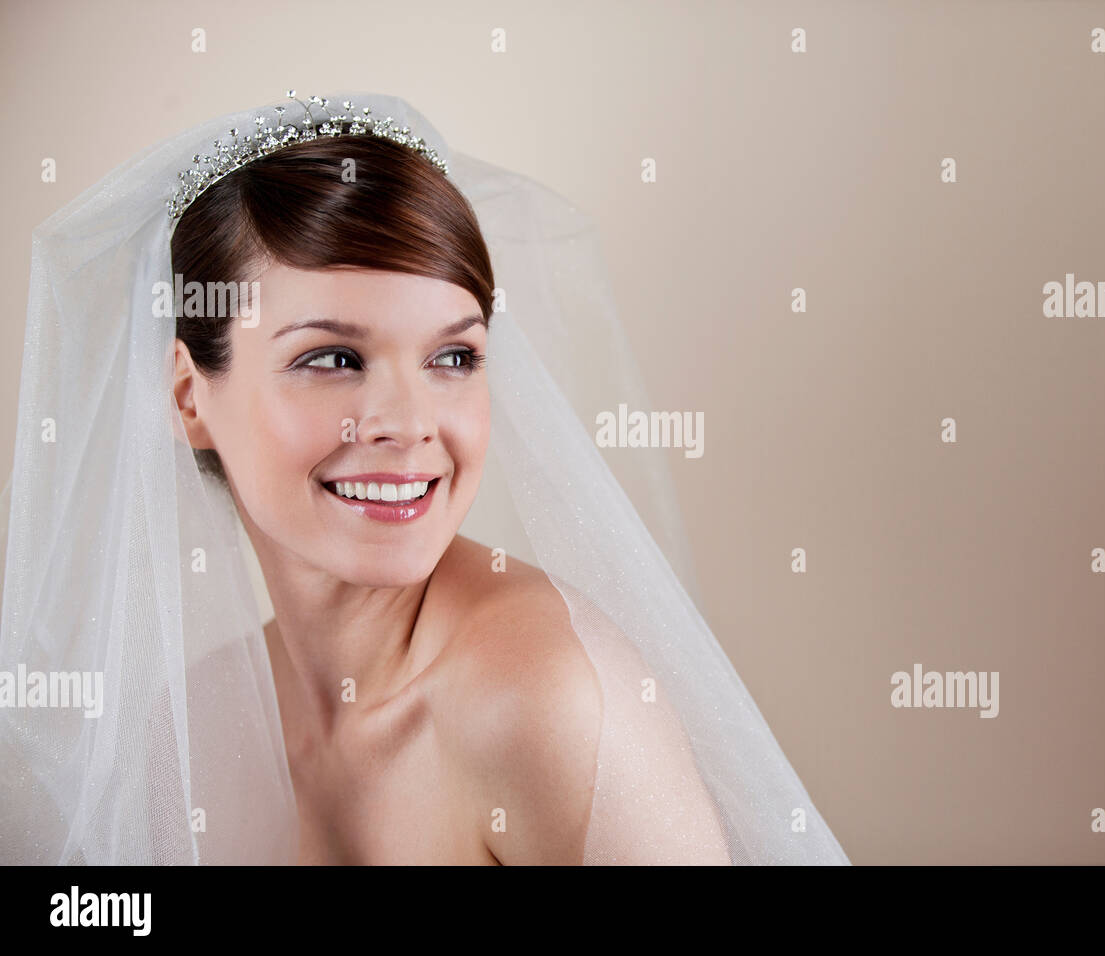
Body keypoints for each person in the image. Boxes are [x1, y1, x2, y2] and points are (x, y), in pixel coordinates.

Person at [0, 91, 850, 865]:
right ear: (191, 397)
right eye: (333, 357)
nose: (409, 425)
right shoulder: (191, 728)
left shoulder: (548, 701)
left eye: (454, 356)